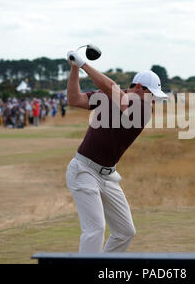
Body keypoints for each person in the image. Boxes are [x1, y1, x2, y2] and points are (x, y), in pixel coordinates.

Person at [65, 50, 167, 253]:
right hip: (83, 169)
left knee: (125, 231)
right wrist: (74, 68)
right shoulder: (110, 98)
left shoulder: (143, 110)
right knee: (95, 229)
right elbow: (74, 99)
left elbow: (112, 88)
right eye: (152, 94)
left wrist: (83, 63)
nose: (154, 100)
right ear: (138, 87)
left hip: (108, 176)